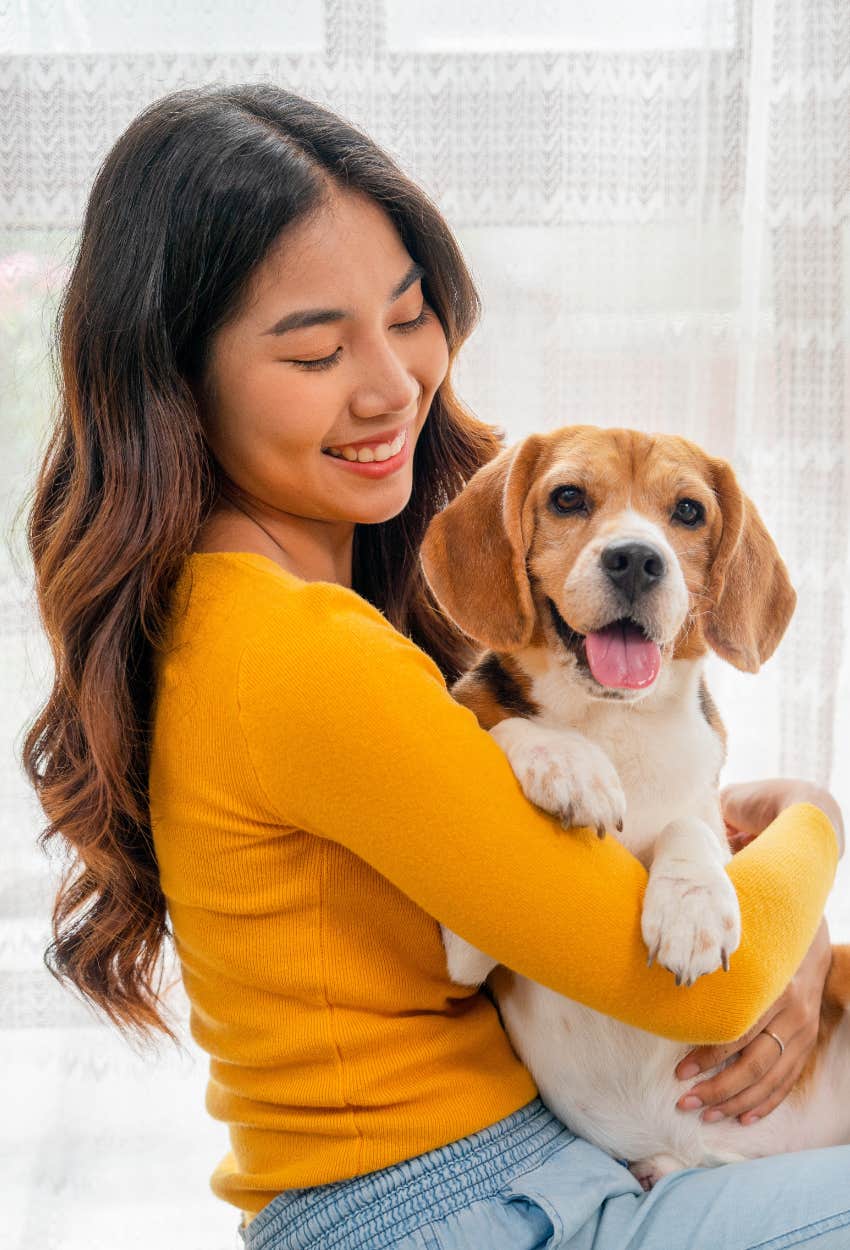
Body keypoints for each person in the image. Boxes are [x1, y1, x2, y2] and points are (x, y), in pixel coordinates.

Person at [22, 83, 849, 1250]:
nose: (392, 385)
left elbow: (556, 889)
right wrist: (812, 820)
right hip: (460, 1208)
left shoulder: (240, 617)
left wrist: (761, 897)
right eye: (315, 347)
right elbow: (706, 979)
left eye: (408, 317)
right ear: (177, 379)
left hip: (491, 1178)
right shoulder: (300, 653)